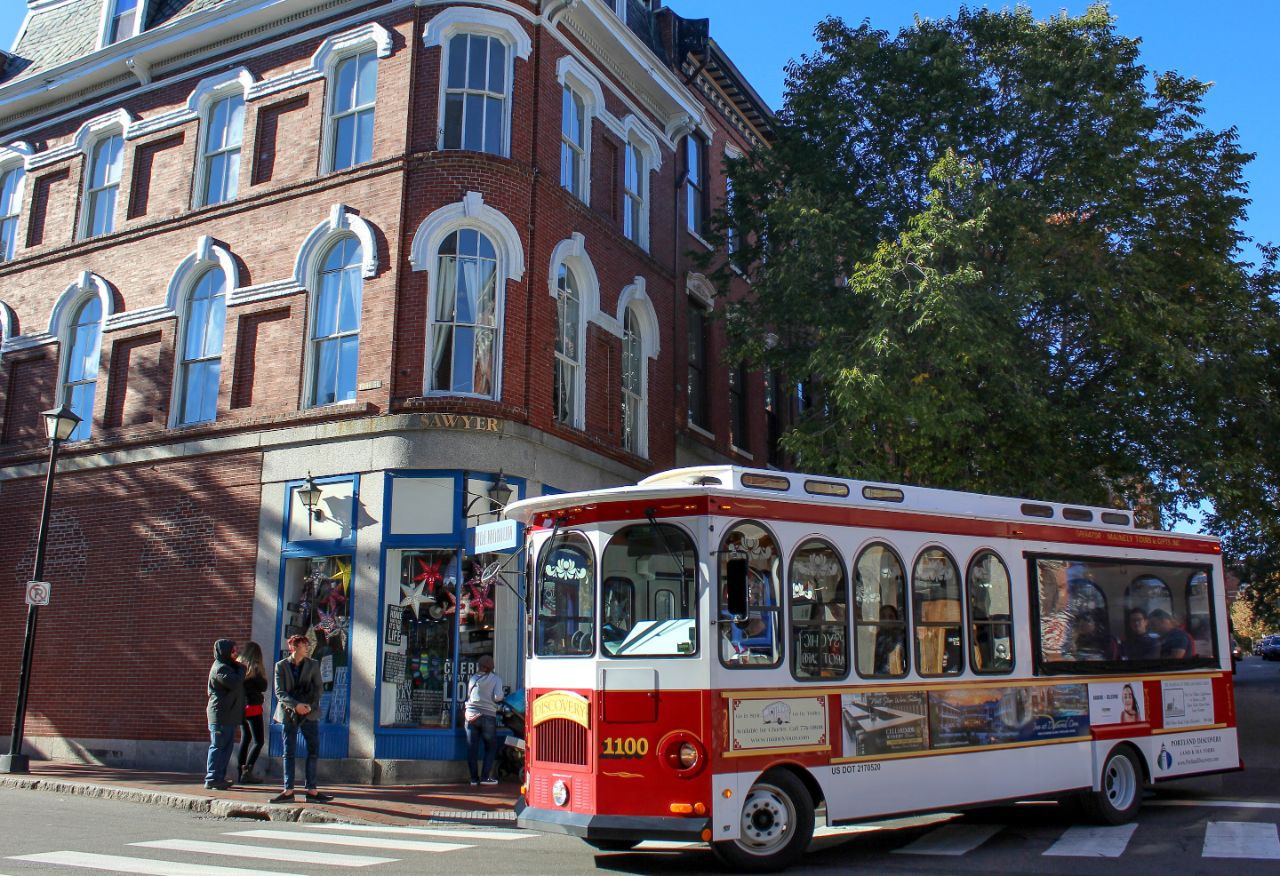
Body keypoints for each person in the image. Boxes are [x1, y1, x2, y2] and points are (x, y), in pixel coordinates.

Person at [271, 635, 333, 804]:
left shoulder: (313, 664)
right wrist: (295, 705)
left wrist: (309, 706)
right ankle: (288, 790)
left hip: (309, 713)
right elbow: (279, 692)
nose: (307, 648)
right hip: (288, 713)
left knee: (313, 749)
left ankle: (312, 790)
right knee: (288, 751)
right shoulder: (281, 666)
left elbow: (319, 688)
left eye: (307, 645)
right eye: (304, 645)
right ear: (293, 647)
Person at [205, 638, 245, 790]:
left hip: (229, 715)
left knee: (226, 748)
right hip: (220, 715)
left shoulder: (229, 667)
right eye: (233, 650)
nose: (236, 653)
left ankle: (219, 777)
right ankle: (212, 777)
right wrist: (241, 668)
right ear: (226, 651)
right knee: (218, 746)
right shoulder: (220, 668)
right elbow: (234, 683)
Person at [464, 654, 504, 786]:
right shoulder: (496, 679)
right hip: (488, 715)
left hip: (471, 716)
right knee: (491, 747)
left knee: (472, 749)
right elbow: (498, 697)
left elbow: (469, 695)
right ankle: (485, 777)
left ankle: (473, 779)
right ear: (491, 666)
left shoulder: (473, 678)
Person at [236, 641, 268, 784]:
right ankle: (247, 771)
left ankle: (240, 771)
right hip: (253, 706)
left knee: (245, 738)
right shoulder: (255, 668)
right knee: (258, 741)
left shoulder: (238, 666)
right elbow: (263, 686)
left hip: (240, 707)